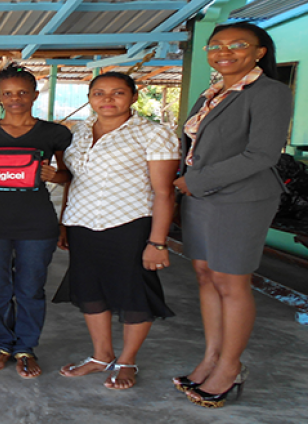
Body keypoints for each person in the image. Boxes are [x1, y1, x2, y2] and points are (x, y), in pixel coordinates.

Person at [173, 23, 293, 408]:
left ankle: (230, 365)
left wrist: (196, 181)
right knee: (206, 276)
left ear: (259, 52)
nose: (224, 51)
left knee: (231, 281)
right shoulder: (212, 94)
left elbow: (262, 155)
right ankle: (210, 357)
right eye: (216, 45)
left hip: (241, 199)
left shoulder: (269, 92)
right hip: (201, 197)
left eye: (238, 45)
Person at [55, 72, 180, 390]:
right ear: (90, 98)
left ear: (134, 97)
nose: (107, 99)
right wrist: (65, 223)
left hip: (130, 223)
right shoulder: (78, 132)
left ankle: (126, 361)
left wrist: (158, 242)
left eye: (117, 92)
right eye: (99, 93)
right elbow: (72, 179)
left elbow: (164, 193)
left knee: (133, 293)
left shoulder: (153, 134)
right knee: (90, 291)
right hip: (82, 223)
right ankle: (101, 356)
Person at [0, 63, 72, 379]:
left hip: (37, 222)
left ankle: (26, 347)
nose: (15, 98)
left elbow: (69, 176)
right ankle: (2, 344)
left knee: (30, 287)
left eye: (23, 92)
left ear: (35, 95)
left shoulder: (54, 132)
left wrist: (57, 174)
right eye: (8, 93)